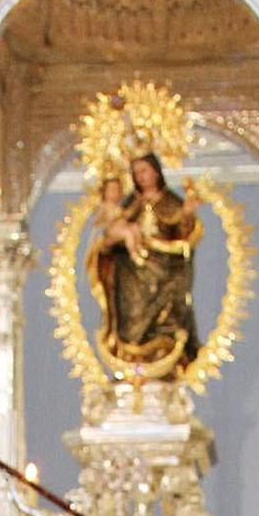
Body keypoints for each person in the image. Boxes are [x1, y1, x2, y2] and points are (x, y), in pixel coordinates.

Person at [88, 151, 202, 376]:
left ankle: (163, 352)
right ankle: (131, 357)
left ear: (156, 172)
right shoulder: (131, 203)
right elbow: (111, 233)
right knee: (130, 321)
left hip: (165, 270)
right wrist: (111, 244)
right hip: (131, 275)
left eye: (144, 171)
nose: (141, 177)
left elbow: (184, 236)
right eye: (136, 173)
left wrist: (187, 215)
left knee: (166, 319)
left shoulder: (170, 201)